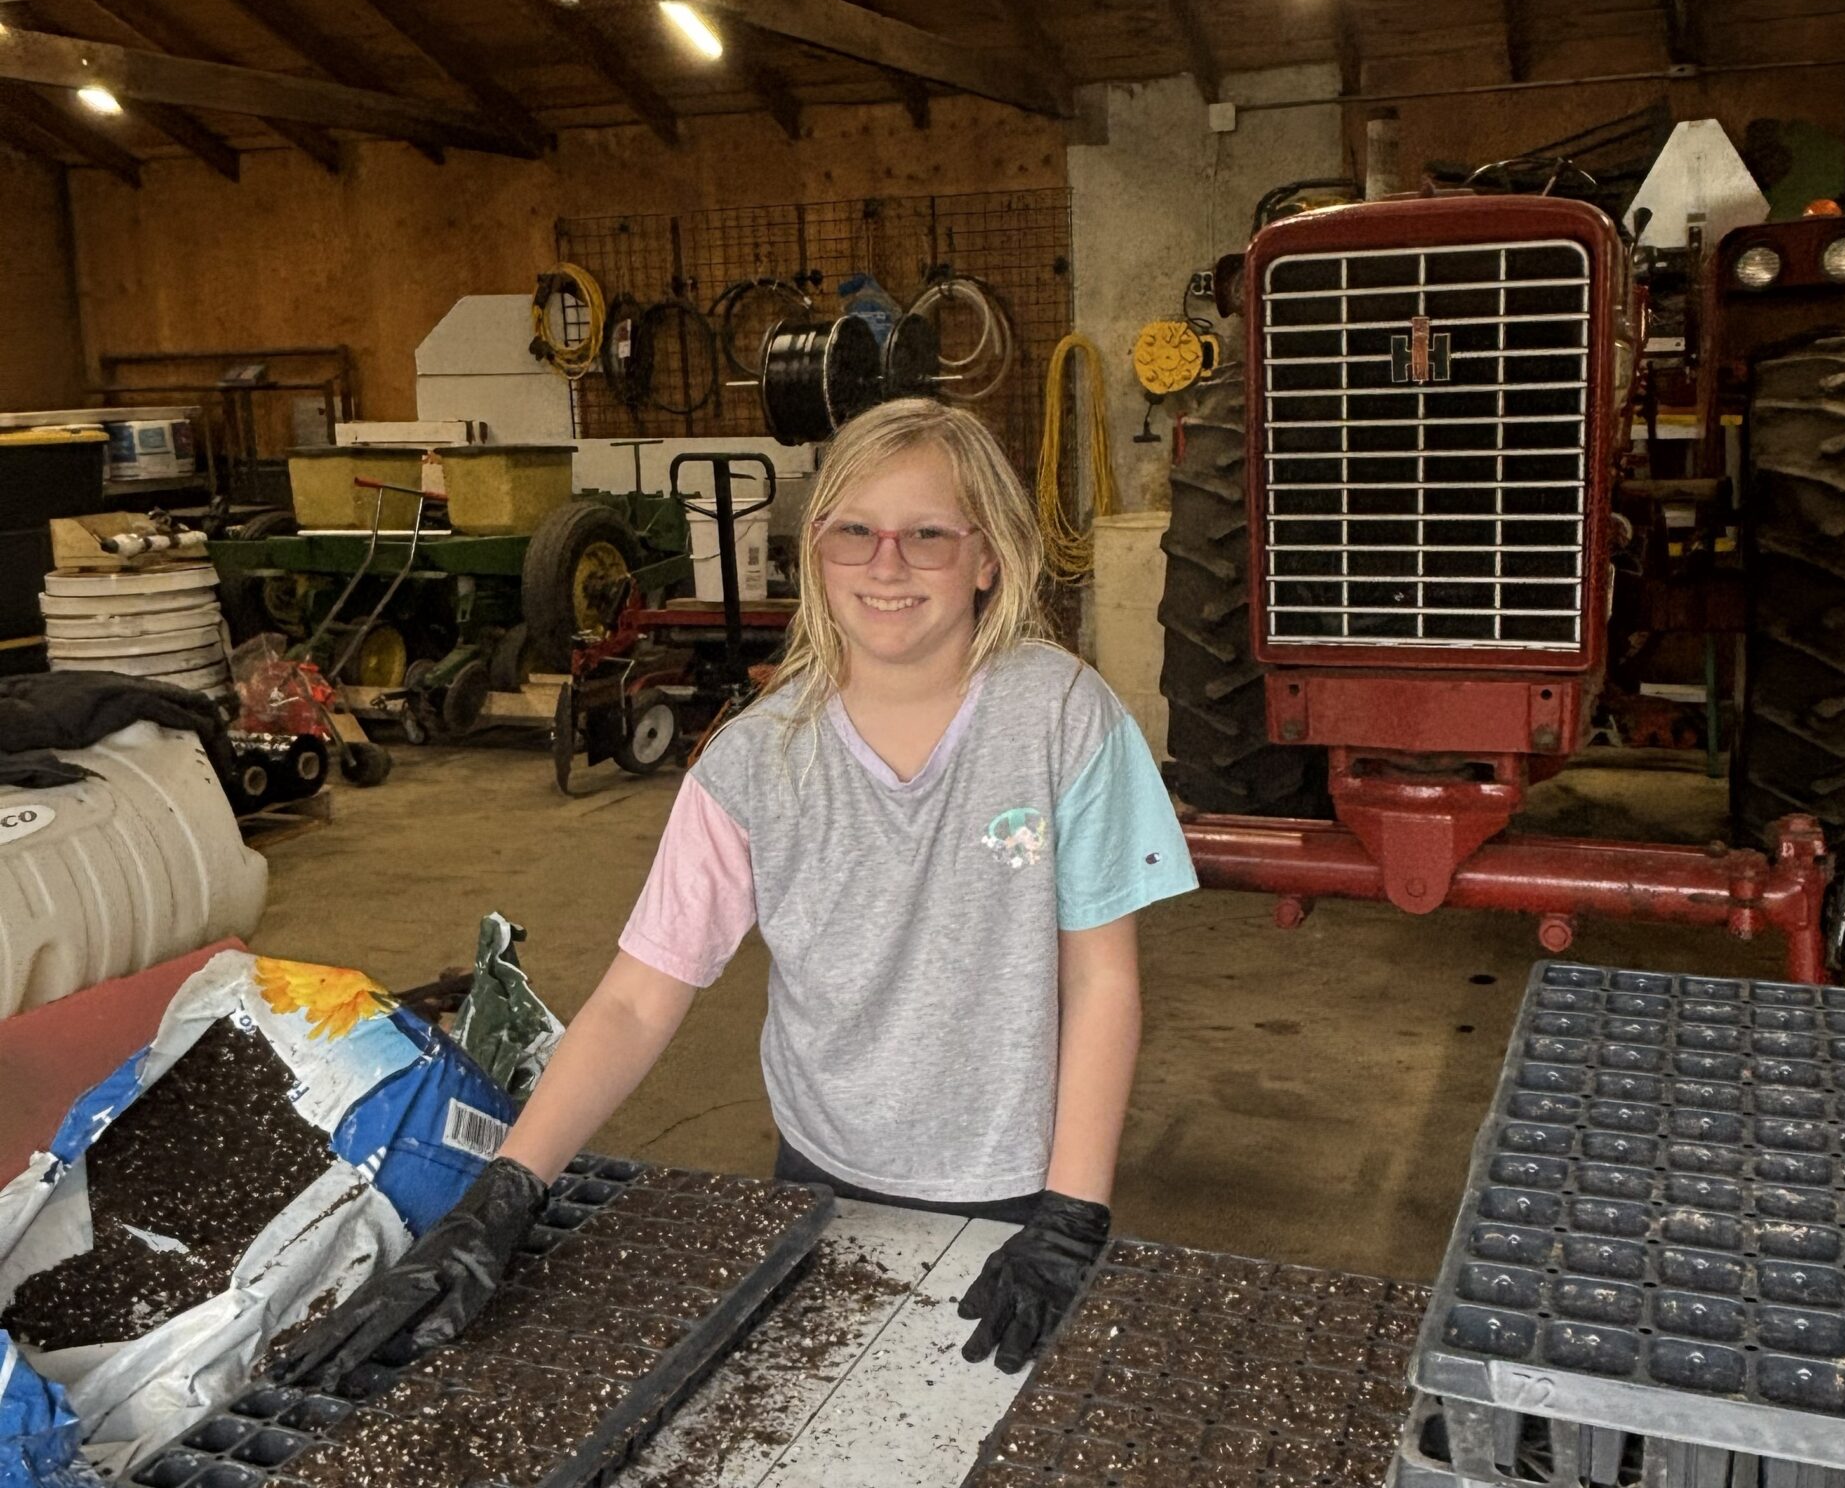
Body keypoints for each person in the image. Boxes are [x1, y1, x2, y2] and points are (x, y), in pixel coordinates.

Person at [280, 397, 1197, 1389]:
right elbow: (637, 998)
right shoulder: (755, 762)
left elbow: (1101, 981)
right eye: (855, 530)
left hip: (1017, 1188)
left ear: (989, 556)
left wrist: (1071, 1214)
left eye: (928, 533)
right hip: (821, 1169)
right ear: (817, 553)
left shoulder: (1064, 716)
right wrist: (502, 1194)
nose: (886, 565)